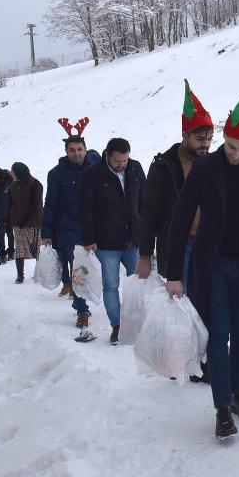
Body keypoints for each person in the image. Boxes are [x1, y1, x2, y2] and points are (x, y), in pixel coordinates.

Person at [165, 80, 239, 442]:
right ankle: (220, 408)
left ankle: (238, 394)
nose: (236, 154)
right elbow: (180, 218)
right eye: (232, 147)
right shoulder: (204, 169)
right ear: (224, 138)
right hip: (213, 263)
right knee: (218, 334)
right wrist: (173, 273)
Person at [138, 81, 214, 378]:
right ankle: (180, 360)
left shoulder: (212, 163)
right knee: (181, 307)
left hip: (207, 245)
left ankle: (204, 362)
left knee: (205, 302)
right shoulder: (164, 166)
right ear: (185, 135)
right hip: (177, 246)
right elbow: (150, 213)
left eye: (209, 137)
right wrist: (145, 254)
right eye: (200, 138)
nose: (205, 144)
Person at [79, 137, 146, 345]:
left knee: (139, 283)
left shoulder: (135, 169)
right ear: (107, 155)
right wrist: (88, 238)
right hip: (106, 241)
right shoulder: (91, 175)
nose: (122, 165)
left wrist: (146, 230)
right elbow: (85, 209)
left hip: (133, 238)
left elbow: (145, 200)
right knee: (110, 285)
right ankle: (117, 325)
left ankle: (138, 325)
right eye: (118, 161)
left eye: (125, 160)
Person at [40, 118, 101, 329]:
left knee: (100, 270)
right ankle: (81, 309)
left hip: (97, 229)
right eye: (72, 150)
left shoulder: (99, 169)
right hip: (69, 230)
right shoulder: (56, 175)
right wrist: (46, 232)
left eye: (80, 149)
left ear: (86, 148)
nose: (77, 153)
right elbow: (50, 204)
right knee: (77, 273)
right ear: (66, 151)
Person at [9, 162, 44, 284]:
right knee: (19, 249)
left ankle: (39, 273)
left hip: (34, 222)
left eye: (12, 171)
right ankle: (20, 275)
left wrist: (25, 219)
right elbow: (10, 203)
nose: (11, 173)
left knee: (38, 249)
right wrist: (13, 218)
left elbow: (36, 205)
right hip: (18, 224)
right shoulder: (13, 186)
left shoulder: (35, 184)